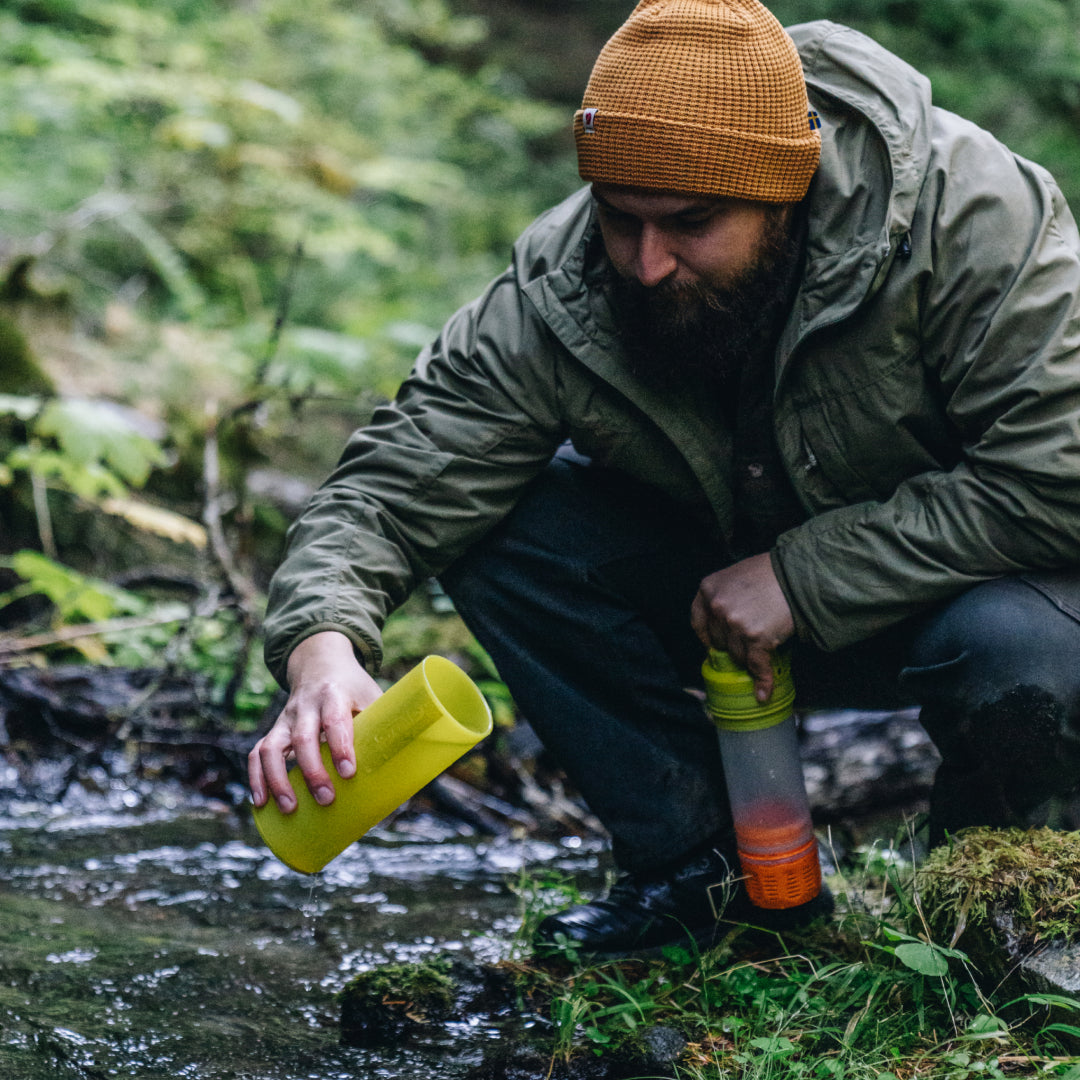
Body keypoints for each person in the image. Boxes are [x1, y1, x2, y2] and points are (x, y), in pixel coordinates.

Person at [248, 0, 1080, 954]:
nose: (645, 264)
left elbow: (1062, 472)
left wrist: (806, 577)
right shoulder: (565, 283)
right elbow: (397, 479)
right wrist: (321, 645)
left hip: (963, 603)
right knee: (506, 526)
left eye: (691, 224)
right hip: (720, 621)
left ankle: (997, 908)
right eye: (619, 219)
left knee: (1021, 646)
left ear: (788, 191)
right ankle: (702, 879)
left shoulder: (969, 215)